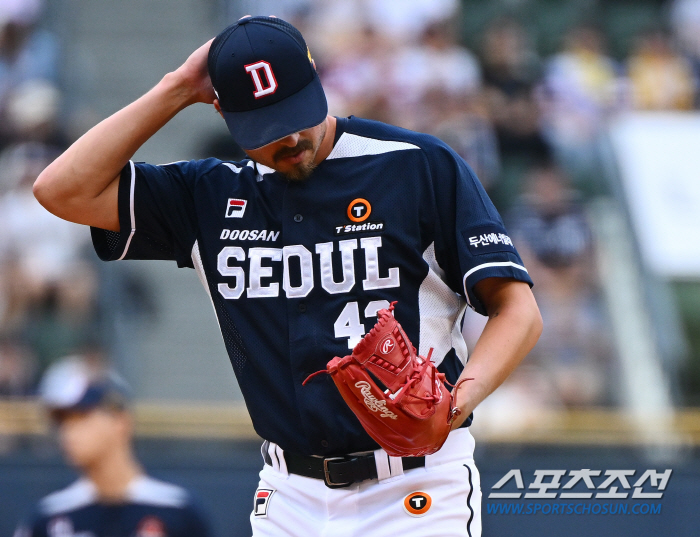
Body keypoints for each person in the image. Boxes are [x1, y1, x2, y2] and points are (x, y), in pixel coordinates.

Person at [33, 16, 542, 536]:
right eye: (268, 127)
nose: (293, 135)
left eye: (297, 110)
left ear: (316, 75)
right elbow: (61, 192)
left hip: (415, 486)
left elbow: (517, 310)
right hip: (289, 496)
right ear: (223, 111)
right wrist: (176, 89)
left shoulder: (415, 166)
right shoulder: (207, 196)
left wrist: (453, 407)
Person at [14, 357, 211, 537]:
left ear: (120, 421)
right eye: (63, 421)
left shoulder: (177, 510)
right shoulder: (48, 517)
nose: (68, 432)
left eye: (82, 416)